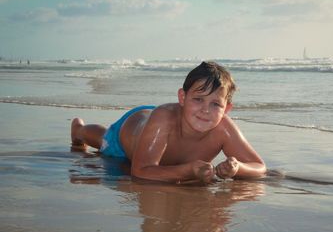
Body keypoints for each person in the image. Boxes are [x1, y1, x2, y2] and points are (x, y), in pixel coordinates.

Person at [71, 61, 267, 184]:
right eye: (198, 99)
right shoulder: (164, 118)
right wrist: (188, 170)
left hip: (159, 120)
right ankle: (79, 129)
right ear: (182, 97)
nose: (206, 110)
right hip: (133, 128)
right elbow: (140, 172)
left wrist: (237, 168)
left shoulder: (223, 128)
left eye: (215, 104)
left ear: (227, 109)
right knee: (104, 139)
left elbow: (259, 166)